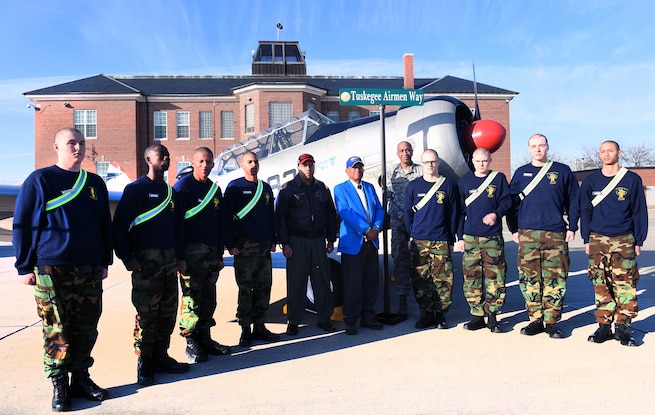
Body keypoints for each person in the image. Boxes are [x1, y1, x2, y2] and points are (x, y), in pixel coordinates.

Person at [13, 127, 112, 411]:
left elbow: (104, 225)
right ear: (57, 147)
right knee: (56, 329)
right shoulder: (40, 180)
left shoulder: (94, 183)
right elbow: (24, 224)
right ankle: (59, 382)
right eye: (71, 143)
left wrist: (104, 260)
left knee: (86, 327)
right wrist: (23, 266)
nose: (78, 147)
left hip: (89, 268)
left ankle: (81, 377)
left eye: (81, 143)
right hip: (52, 268)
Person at [113, 144, 189, 387]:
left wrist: (179, 257)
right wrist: (128, 258)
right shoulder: (135, 190)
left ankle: (161, 356)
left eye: (167, 155)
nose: (166, 158)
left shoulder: (170, 192)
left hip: (168, 262)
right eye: (160, 155)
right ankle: (144, 363)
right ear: (149, 159)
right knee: (147, 314)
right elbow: (119, 227)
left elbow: (177, 229)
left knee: (167, 312)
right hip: (146, 263)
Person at [508, 133, 579, 339]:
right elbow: (512, 205)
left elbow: (573, 200)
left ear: (547, 147)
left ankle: (552, 321)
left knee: (555, 278)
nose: (538, 149)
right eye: (533, 146)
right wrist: (513, 229)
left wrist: (572, 226)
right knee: (529, 278)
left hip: (556, 232)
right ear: (528, 149)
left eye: (541, 145)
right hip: (527, 233)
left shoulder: (562, 171)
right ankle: (535, 319)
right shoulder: (521, 173)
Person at [580, 140, 647, 346]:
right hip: (597, 239)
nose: (606, 154)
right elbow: (585, 211)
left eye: (610, 150)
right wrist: (586, 239)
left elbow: (639, 211)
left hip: (624, 239)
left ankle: (623, 328)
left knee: (625, 284)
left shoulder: (632, 179)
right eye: (603, 151)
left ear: (619, 152)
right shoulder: (591, 181)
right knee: (600, 284)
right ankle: (603, 327)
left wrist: (638, 240)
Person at [174, 147, 231, 362]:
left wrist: (219, 255)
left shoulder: (214, 191)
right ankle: (191, 342)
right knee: (191, 299)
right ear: (193, 162)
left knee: (209, 298)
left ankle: (205, 338)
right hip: (191, 256)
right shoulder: (183, 188)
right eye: (201, 161)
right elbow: (176, 225)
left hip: (211, 255)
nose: (205, 165)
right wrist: (179, 257)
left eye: (208, 162)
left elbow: (219, 224)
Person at [276, 153, 339, 335]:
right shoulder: (288, 189)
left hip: (318, 240)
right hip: (297, 241)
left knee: (322, 281)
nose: (308, 168)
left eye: (311, 165)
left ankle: (324, 318)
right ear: (298, 167)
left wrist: (331, 239)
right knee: (297, 282)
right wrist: (285, 243)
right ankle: (294, 321)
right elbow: (280, 218)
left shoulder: (321, 188)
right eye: (305, 165)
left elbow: (330, 215)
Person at [223, 151, 280, 347]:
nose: (253, 165)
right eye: (249, 162)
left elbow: (271, 216)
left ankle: (260, 327)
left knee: (264, 288)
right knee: (246, 289)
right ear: (242, 165)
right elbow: (226, 218)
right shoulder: (235, 188)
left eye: (255, 161)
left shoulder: (264, 188)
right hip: (244, 247)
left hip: (264, 247)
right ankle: (245, 329)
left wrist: (274, 239)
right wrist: (230, 244)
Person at [455, 148, 511, 333]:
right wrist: (460, 237)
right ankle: (477, 315)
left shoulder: (498, 179)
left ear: (490, 160)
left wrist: (496, 214)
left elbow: (507, 202)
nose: (481, 164)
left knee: (495, 277)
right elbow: (459, 212)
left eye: (485, 161)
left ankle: (493, 315)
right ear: (473, 161)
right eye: (478, 161)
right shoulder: (464, 182)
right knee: (471, 277)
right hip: (470, 238)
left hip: (492, 237)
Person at [404, 149, 459, 330]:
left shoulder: (448, 186)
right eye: (427, 162)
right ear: (422, 164)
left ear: (438, 163)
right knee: (421, 279)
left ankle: (440, 315)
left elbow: (453, 215)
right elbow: (407, 214)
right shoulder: (413, 186)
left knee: (443, 280)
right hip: (419, 241)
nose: (430, 165)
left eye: (433, 162)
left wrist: (451, 240)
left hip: (440, 239)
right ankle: (426, 314)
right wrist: (410, 235)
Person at [333, 156, 386, 335]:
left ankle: (368, 315)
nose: (357, 170)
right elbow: (345, 212)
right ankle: (351, 319)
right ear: (347, 170)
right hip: (354, 242)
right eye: (354, 168)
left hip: (371, 241)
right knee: (352, 283)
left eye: (360, 167)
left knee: (371, 281)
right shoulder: (340, 189)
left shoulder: (369, 188)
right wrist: (365, 230)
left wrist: (376, 228)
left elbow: (379, 209)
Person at [387, 141, 423, 316]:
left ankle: (424, 301)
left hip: (418, 225)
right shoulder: (391, 173)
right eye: (402, 150)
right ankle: (402, 300)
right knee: (400, 262)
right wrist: (401, 216)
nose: (405, 153)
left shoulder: (421, 171)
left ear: (412, 152)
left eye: (408, 150)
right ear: (397, 153)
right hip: (399, 225)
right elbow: (386, 200)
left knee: (421, 262)